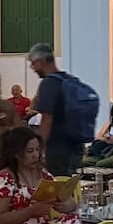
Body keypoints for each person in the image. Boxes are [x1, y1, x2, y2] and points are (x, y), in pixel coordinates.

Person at [28, 42, 83, 176]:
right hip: (75, 147)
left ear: (40, 61)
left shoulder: (48, 83)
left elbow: (47, 119)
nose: (32, 68)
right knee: (69, 185)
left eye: (33, 63)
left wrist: (39, 148)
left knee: (56, 188)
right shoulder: (71, 80)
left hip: (57, 147)